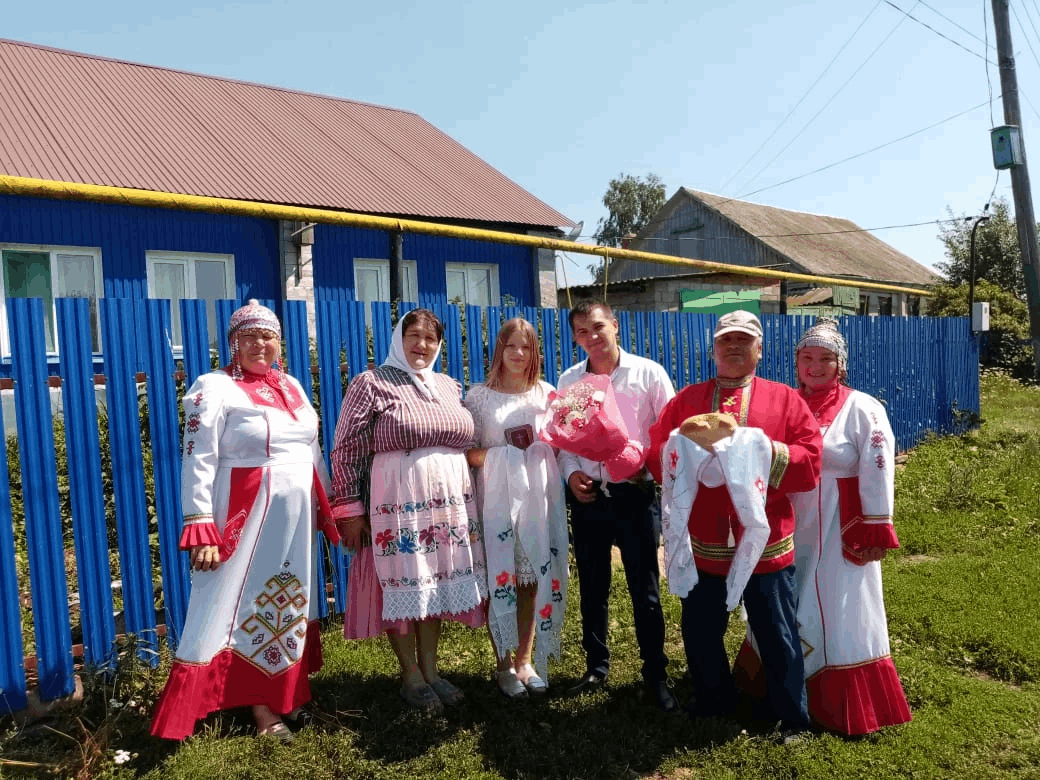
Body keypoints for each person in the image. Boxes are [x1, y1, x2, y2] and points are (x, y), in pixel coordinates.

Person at [151, 299, 338, 742]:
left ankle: (284, 694)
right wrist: (201, 524)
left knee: (288, 599)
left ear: (279, 342)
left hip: (294, 520)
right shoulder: (213, 388)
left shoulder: (291, 385)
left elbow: (311, 451)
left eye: (268, 335)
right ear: (234, 343)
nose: (260, 344)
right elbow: (197, 458)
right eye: (249, 336)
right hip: (246, 517)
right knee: (245, 604)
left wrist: (327, 508)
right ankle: (260, 709)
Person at [647, 309, 821, 731]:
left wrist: (761, 454)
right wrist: (686, 458)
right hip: (705, 541)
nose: (734, 346)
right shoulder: (686, 400)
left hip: (766, 542)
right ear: (714, 349)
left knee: (778, 634)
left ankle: (792, 718)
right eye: (727, 340)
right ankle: (714, 701)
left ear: (759, 350)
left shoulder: (784, 399)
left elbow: (811, 458)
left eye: (744, 340)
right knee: (701, 631)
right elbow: (657, 454)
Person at [330, 308, 487, 714]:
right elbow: (346, 446)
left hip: (448, 501)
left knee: (432, 580)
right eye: (413, 335)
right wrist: (350, 509)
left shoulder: (449, 386)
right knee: (405, 578)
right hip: (396, 499)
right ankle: (410, 673)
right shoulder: (371, 383)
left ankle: (432, 670)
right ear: (398, 338)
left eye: (430, 338)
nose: (421, 345)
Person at [787, 318, 911, 734]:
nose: (815, 366)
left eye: (825, 359)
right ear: (796, 362)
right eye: (807, 358)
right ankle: (785, 686)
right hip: (789, 521)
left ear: (840, 365)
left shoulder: (863, 407)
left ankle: (837, 700)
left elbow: (879, 468)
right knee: (784, 596)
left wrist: (876, 525)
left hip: (841, 522)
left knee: (843, 606)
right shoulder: (786, 402)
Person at [559, 300, 677, 711]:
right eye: (582, 332)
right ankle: (596, 667)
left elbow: (670, 432)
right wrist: (572, 475)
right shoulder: (571, 379)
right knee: (592, 588)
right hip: (589, 498)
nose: (592, 338)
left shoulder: (649, 373)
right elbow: (564, 438)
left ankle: (655, 675)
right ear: (575, 338)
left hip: (635, 495)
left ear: (615, 325)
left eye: (597, 327)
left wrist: (646, 463)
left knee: (644, 591)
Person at [463, 318, 568, 698]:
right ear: (499, 351)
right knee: (501, 579)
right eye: (511, 346)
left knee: (531, 578)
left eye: (526, 347)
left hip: (538, 501)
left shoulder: (547, 394)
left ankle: (525, 659)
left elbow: (562, 445)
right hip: (495, 500)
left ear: (534, 351)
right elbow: (467, 453)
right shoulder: (478, 398)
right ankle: (502, 664)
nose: (518, 354)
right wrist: (502, 456)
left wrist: (537, 453)